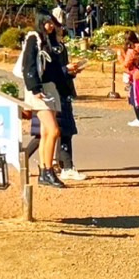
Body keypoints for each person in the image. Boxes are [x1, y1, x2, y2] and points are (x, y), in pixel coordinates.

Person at [19, 12, 64, 187]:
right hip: (39, 89)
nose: (50, 26)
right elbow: (28, 64)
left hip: (50, 87)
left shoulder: (51, 41)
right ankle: (47, 170)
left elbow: (53, 67)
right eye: (47, 23)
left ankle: (45, 171)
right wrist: (34, 88)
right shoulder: (34, 38)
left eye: (52, 22)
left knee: (46, 132)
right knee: (54, 131)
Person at [50, 12, 87, 181]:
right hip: (55, 92)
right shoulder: (49, 47)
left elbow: (61, 71)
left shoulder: (60, 47)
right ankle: (66, 166)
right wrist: (66, 70)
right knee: (58, 131)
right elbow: (50, 72)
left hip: (62, 90)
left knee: (59, 131)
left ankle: (63, 164)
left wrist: (71, 72)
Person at [121, 29, 139, 126]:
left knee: (135, 99)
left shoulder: (131, 51)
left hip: (136, 75)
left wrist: (120, 57)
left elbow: (126, 64)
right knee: (136, 96)